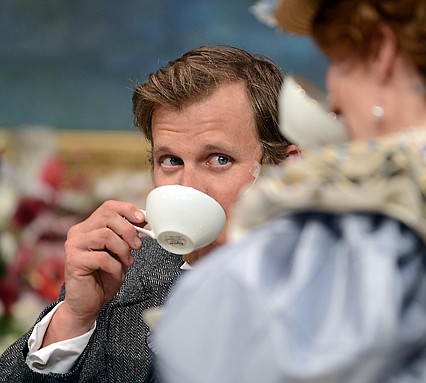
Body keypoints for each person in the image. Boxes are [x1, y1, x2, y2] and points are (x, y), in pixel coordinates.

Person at [154, 1, 426, 382]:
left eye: (340, 63)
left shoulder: (381, 211)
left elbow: (205, 352)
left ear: (382, 54)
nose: (332, 98)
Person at [0, 45, 299, 382]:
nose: (189, 187)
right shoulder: (120, 275)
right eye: (171, 161)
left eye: (218, 159)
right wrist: (73, 318)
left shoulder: (335, 283)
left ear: (285, 168)